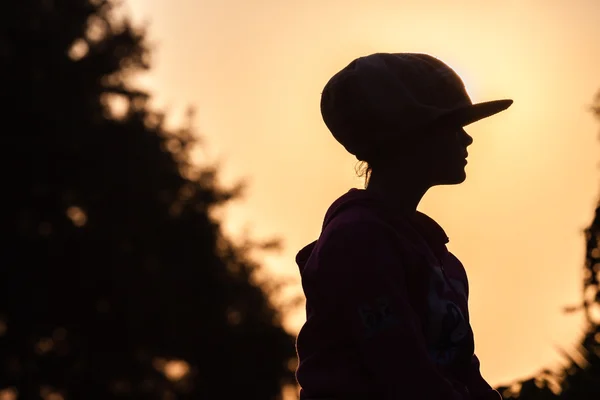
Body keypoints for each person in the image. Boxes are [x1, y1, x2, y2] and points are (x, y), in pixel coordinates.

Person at [294, 53, 513, 400]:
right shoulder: (357, 242)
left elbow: (460, 368)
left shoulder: (436, 255)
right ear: (412, 135)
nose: (467, 139)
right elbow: (402, 372)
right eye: (453, 124)